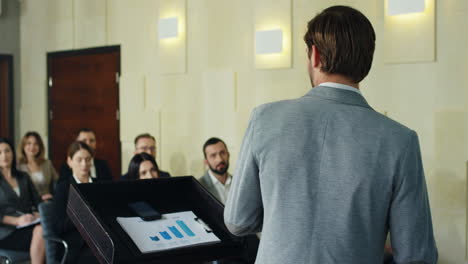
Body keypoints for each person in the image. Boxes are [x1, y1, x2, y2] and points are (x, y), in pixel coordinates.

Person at [224, 5, 438, 264]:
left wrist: (284, 217)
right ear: (366, 62)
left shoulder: (265, 119)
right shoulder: (400, 140)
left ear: (314, 55)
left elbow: (238, 221)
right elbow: (417, 255)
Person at [0, 138, 45, 264]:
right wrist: (16, 220)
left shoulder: (23, 177)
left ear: (13, 153)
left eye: (7, 151)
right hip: (5, 231)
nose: (4, 156)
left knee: (47, 229)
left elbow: (37, 201)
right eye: (0, 153)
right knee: (41, 231)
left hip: (28, 224)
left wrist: (39, 213)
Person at [54, 141, 98, 264]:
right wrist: (83, 215)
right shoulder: (63, 188)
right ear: (70, 161)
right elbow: (58, 226)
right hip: (75, 244)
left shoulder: (99, 184)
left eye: (88, 159)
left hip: (100, 239)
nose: (84, 164)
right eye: (79, 160)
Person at [17, 131, 59, 201]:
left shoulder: (47, 163)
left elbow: (58, 183)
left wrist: (53, 195)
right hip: (29, 205)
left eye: (36, 144)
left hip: (48, 202)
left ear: (40, 147)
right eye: (29, 143)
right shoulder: (18, 167)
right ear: (23, 146)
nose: (32, 147)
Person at [199, 138, 232, 204]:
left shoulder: (240, 183)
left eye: (222, 153)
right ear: (206, 162)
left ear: (228, 155)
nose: (219, 159)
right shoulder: (199, 187)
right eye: (213, 155)